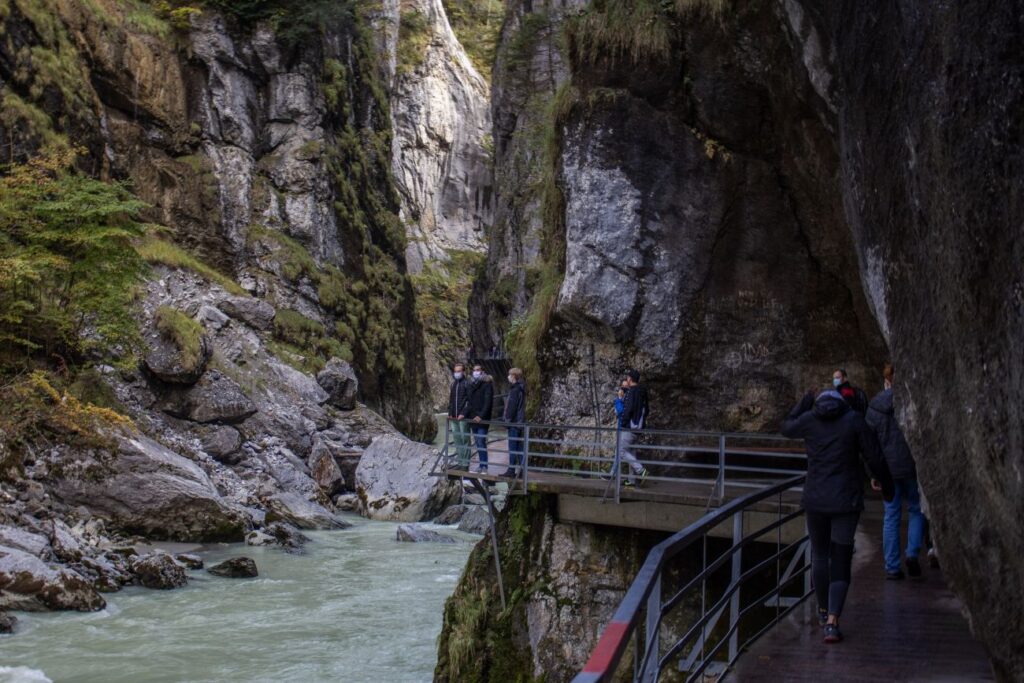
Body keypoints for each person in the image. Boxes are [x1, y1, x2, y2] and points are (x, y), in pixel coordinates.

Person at [782, 387, 893, 644]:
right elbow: (874, 455)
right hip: (845, 500)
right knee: (841, 557)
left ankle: (822, 611)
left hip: (816, 499)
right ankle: (833, 621)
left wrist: (803, 403)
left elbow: (786, 427)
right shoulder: (853, 419)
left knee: (820, 555)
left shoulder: (809, 419)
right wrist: (888, 487)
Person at [866, 363, 925, 580]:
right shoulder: (913, 401)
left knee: (891, 515)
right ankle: (912, 554)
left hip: (887, 470)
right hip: (911, 467)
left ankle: (892, 566)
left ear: (886, 381)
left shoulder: (874, 408)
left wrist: (873, 473)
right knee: (916, 510)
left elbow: (870, 445)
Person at [618, 370, 650, 487]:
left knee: (621, 451)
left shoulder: (632, 392)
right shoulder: (642, 392)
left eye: (627, 377)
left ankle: (641, 470)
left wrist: (623, 423)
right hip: (638, 427)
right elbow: (647, 410)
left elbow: (628, 409)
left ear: (630, 379)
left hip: (629, 427)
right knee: (631, 452)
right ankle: (631, 480)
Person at [465, 365, 494, 473]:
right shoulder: (471, 384)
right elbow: (469, 402)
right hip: (473, 418)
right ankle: (481, 465)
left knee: (481, 440)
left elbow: (488, 402)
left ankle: (484, 465)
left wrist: (481, 416)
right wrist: (466, 414)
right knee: (478, 441)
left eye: (478, 370)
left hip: (483, 419)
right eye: (474, 370)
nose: (476, 372)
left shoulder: (487, 384)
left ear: (482, 371)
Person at [501, 368, 526, 478]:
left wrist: (506, 422)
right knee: (519, 447)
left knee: (512, 447)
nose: (508, 377)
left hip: (514, 423)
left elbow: (511, 407)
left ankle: (511, 470)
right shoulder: (520, 388)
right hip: (519, 422)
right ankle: (523, 470)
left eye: (510, 375)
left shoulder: (515, 390)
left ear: (514, 376)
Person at [447, 363, 471, 469]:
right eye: (455, 371)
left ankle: (465, 464)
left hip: (463, 417)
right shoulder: (453, 384)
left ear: (463, 372)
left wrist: (463, 413)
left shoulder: (467, 384)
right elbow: (451, 401)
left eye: (459, 371)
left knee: (465, 439)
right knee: (457, 440)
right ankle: (460, 462)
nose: (456, 373)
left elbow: (470, 401)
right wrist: (450, 413)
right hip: (454, 417)